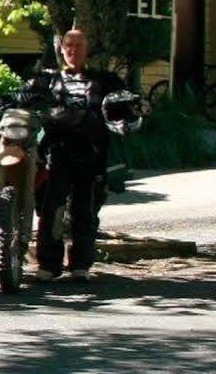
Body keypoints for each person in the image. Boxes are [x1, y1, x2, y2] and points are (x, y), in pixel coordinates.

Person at [17, 28, 139, 285]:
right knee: (51, 210)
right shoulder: (47, 80)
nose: (73, 50)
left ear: (87, 49)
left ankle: (80, 265)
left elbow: (128, 103)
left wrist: (135, 108)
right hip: (55, 154)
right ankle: (49, 265)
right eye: (68, 45)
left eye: (79, 45)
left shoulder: (104, 80)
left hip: (92, 154)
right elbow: (20, 97)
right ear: (61, 49)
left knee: (85, 211)